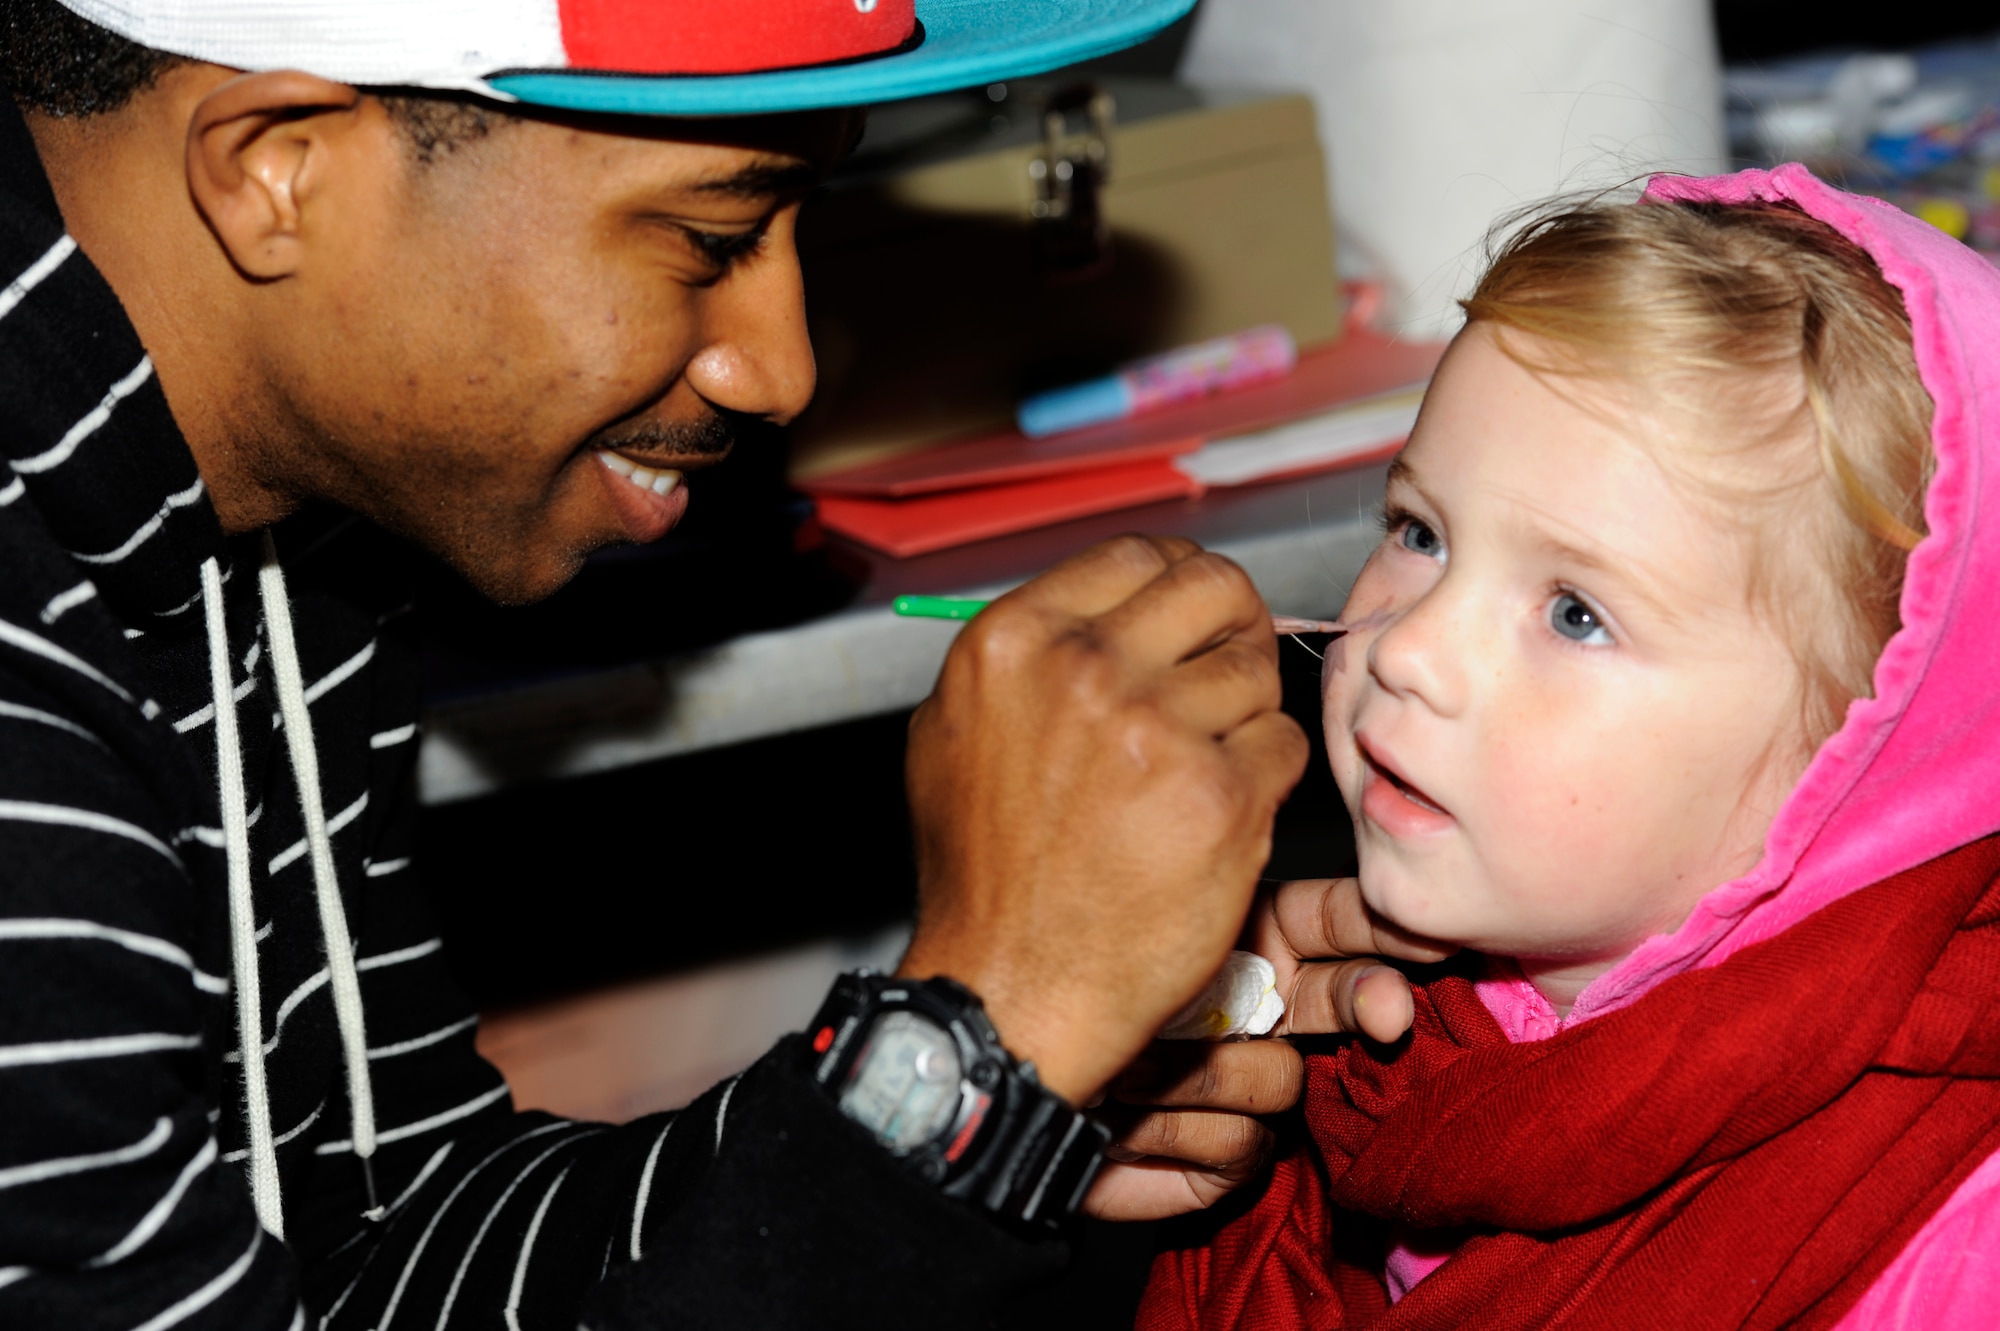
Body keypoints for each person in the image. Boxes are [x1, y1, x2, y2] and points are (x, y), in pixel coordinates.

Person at [0, 1, 1427, 1326]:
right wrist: (970, 1068)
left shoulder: (274, 531)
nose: (781, 367)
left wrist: (945, 1117)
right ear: (276, 169)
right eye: (706, 239)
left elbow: (387, 1242)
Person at [1141, 166, 2000, 1329]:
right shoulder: (1325, 1041)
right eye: (1418, 531)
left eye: (1574, 612)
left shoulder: (1946, 1243)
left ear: (1856, 764)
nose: (1407, 650)